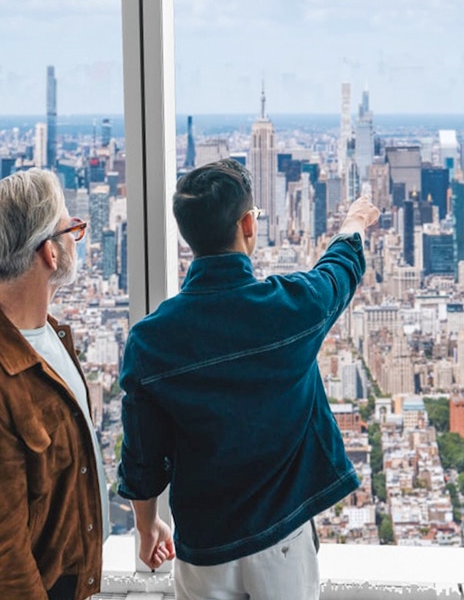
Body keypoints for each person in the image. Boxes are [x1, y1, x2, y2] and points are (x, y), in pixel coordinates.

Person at [118, 159, 379, 600]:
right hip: (282, 540)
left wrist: (146, 527)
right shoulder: (288, 309)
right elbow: (338, 273)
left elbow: (143, 457)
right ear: (246, 224)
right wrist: (354, 221)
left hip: (203, 546)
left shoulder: (150, 340)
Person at [0, 168, 109, 600]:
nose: (76, 238)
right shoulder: (6, 376)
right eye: (72, 229)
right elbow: (6, 552)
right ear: (49, 252)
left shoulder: (51, 334)